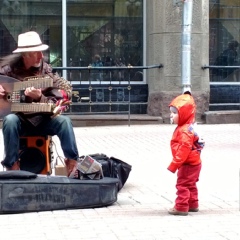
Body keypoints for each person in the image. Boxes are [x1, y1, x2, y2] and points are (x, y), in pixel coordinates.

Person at [0, 31, 79, 177]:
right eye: (36, 53)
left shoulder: (47, 72)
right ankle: (11, 166)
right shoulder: (8, 71)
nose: (41, 56)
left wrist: (40, 96)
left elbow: (56, 104)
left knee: (64, 122)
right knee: (10, 120)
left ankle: (73, 163)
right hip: (21, 121)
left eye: (41, 52)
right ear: (25, 55)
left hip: (43, 119)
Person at [167, 92, 204, 216]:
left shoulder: (184, 131)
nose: (171, 115)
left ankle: (181, 206)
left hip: (187, 163)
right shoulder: (188, 127)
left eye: (174, 113)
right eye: (171, 112)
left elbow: (184, 149)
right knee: (191, 184)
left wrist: (174, 164)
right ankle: (193, 204)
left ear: (184, 114)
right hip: (195, 162)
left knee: (182, 184)